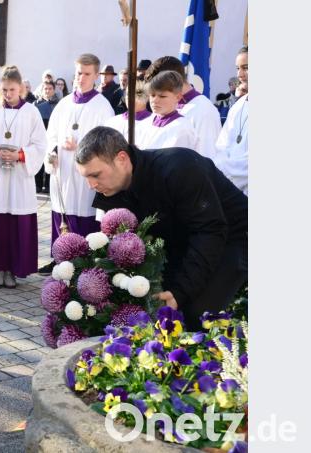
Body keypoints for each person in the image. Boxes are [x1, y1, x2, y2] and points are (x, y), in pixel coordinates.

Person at [75, 127, 247, 330]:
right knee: (148, 304)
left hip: (232, 236)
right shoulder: (113, 190)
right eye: (86, 177)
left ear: (122, 158)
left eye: (95, 175)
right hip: (182, 240)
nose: (91, 185)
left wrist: (180, 292)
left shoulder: (178, 168)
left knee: (195, 315)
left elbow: (210, 232)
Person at [40, 53, 114, 275]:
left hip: (85, 176)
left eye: (86, 74)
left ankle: (84, 266)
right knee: (61, 211)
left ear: (96, 75)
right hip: (62, 170)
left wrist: (81, 145)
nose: (80, 78)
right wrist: (53, 151)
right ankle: (59, 260)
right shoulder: (63, 104)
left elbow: (107, 141)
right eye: (78, 73)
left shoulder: (102, 107)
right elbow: (50, 136)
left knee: (84, 213)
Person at [0, 65, 47, 288]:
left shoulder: (32, 112)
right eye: (5, 89)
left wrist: (21, 154)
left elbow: (40, 144)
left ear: (21, 89)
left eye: (13, 90)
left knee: (16, 221)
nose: (8, 94)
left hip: (20, 176)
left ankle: (14, 270)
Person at [144, 56, 221, 160]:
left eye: (159, 88)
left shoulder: (203, 110)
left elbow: (207, 155)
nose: (155, 98)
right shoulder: (162, 107)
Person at [214, 46, 249, 195]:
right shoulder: (238, 105)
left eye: (246, 68)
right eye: (238, 68)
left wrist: (222, 173)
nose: (240, 75)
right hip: (230, 192)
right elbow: (221, 146)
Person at [136, 70, 197, 150]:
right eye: (152, 95)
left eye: (162, 96)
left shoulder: (182, 128)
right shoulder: (146, 123)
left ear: (177, 97)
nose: (155, 100)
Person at [33, 80, 59, 194]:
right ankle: (37, 185)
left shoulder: (58, 105)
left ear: (54, 90)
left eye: (50, 89)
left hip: (52, 136)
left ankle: (48, 185)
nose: (47, 91)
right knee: (38, 160)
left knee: (50, 159)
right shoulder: (36, 104)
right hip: (39, 135)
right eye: (45, 88)